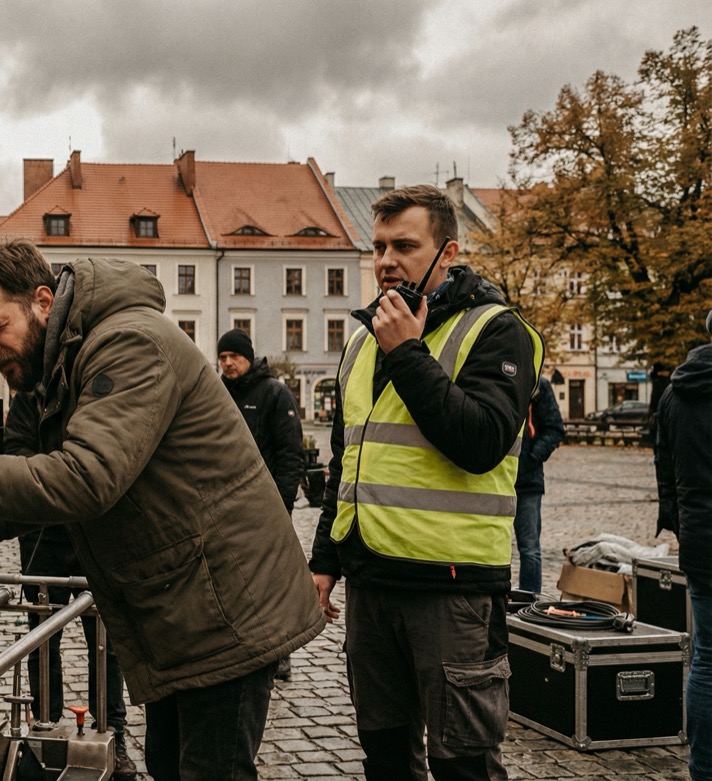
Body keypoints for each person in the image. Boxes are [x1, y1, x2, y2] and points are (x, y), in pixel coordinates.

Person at [0, 237, 325, 781]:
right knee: (169, 764)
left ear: (43, 301)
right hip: (185, 606)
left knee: (211, 770)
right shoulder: (66, 356)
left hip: (224, 607)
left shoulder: (128, 342)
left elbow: (87, 477)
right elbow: (68, 468)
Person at [309, 185, 542, 781]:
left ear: (448, 252)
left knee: (463, 763)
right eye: (380, 245)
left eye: (405, 246)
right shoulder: (362, 340)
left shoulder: (496, 330)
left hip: (452, 588)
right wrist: (326, 562)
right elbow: (348, 461)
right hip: (372, 583)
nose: (387, 260)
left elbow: (481, 442)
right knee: (385, 756)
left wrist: (409, 353)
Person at [2, 392, 133, 777]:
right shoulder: (31, 394)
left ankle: (113, 730)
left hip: (97, 532)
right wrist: (63, 473)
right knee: (42, 639)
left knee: (105, 641)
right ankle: (44, 725)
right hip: (43, 534)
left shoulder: (92, 384)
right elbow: (16, 455)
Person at [217, 327, 305, 681]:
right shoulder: (218, 392)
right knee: (233, 582)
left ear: (248, 357)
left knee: (271, 584)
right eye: (222, 358)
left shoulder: (274, 393)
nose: (227, 364)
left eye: (233, 357)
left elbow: (289, 454)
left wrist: (282, 504)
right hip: (226, 508)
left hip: (266, 506)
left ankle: (281, 653)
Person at [654, 308, 712, 781]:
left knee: (708, 658)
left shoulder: (676, 390)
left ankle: (702, 767)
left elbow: (664, 463)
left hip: (699, 540)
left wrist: (677, 522)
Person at [513, 375, 564, 593]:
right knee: (491, 545)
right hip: (495, 479)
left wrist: (532, 457)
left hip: (527, 480)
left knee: (529, 548)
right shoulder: (499, 375)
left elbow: (555, 429)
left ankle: (529, 599)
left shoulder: (538, 385)